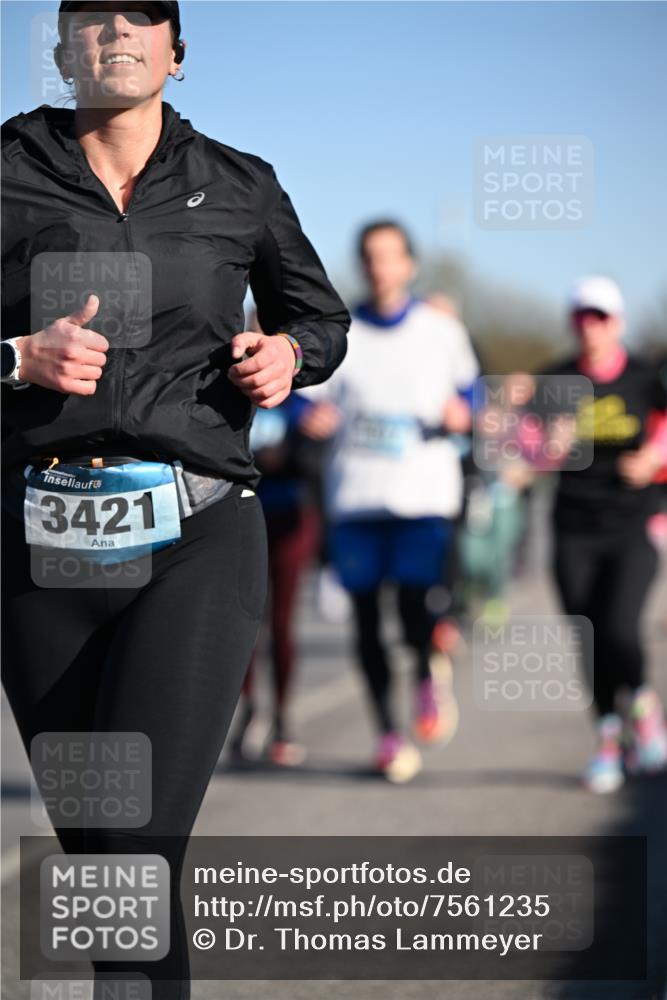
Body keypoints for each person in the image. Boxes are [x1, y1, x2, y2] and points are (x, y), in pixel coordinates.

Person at [1, 3, 349, 996]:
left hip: (195, 537)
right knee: (101, 861)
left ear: (177, 55)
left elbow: (320, 321)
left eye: (141, 15)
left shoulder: (240, 183)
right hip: (38, 547)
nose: (115, 31)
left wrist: (288, 354)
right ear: (62, 50)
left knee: (137, 845)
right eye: (91, 17)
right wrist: (15, 357)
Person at [302, 220, 479, 783]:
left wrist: (463, 412)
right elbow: (300, 397)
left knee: (412, 608)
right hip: (356, 497)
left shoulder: (441, 330)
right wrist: (309, 417)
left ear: (409, 265)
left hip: (422, 496)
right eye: (370, 257)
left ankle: (427, 671)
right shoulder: (340, 332)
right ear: (362, 266)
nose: (379, 267)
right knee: (364, 624)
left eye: (390, 256)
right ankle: (387, 733)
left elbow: (472, 391)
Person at [540, 277, 667, 793]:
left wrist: (656, 455)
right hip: (574, 528)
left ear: (618, 323)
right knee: (588, 636)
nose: (591, 327)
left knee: (619, 628)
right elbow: (521, 446)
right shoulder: (556, 379)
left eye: (601, 317)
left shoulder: (645, 375)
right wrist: (547, 445)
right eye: (582, 317)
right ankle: (609, 740)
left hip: (630, 524)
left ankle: (641, 703)